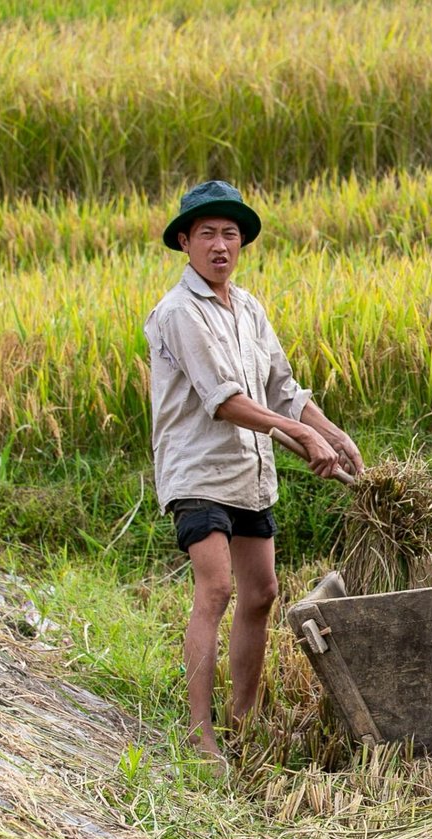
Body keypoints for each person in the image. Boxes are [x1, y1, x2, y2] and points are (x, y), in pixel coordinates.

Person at [143, 180, 364, 767]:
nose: (221, 245)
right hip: (197, 470)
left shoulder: (248, 308)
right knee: (215, 589)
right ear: (185, 242)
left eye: (231, 235)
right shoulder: (179, 312)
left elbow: (280, 388)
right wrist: (298, 434)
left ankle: (242, 721)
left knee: (262, 593)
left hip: (248, 471)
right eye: (208, 234)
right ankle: (200, 735)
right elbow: (224, 400)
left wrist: (330, 430)